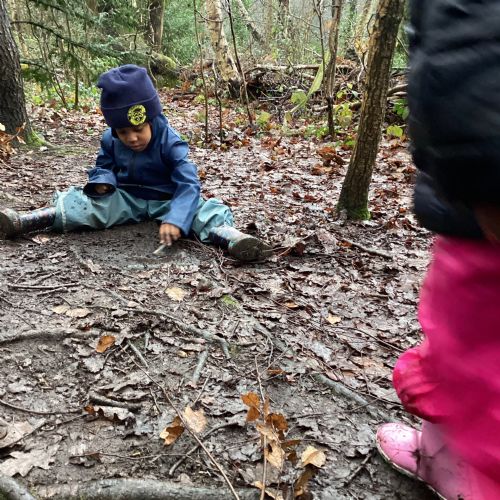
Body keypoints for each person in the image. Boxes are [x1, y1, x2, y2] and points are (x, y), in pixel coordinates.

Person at [376, 1, 500, 498]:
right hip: (471, 194)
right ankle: (440, 455)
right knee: (456, 349)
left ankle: (474, 475)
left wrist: (484, 177)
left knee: (469, 358)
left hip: (479, 204)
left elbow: (469, 43)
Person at [0, 64, 270, 262]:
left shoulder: (169, 142)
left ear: (151, 118)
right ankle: (31, 220)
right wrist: (103, 183)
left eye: (137, 129)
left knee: (206, 211)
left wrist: (176, 218)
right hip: (128, 197)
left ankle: (232, 238)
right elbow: (104, 165)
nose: (131, 138)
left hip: (168, 198)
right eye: (122, 132)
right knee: (87, 204)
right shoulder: (111, 139)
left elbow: (188, 183)